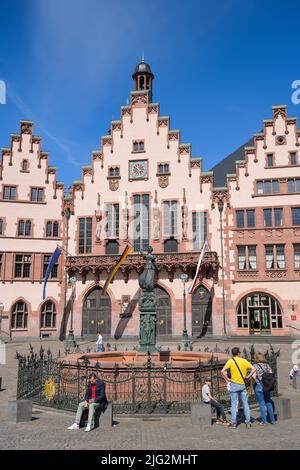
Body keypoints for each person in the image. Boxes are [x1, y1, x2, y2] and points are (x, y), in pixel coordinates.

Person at [221, 347, 256, 429]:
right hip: (243, 385)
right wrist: (248, 376)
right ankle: (248, 422)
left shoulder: (230, 361)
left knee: (233, 404)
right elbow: (253, 369)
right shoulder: (243, 361)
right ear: (239, 353)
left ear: (233, 353)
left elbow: (222, 371)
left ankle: (233, 423)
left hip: (234, 385)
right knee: (245, 404)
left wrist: (227, 379)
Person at [252, 352, 276, 425]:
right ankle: (272, 420)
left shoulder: (254, 366)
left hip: (258, 386)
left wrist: (256, 380)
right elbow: (271, 374)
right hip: (266, 386)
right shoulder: (267, 366)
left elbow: (253, 376)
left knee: (261, 404)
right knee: (268, 402)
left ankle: (264, 422)